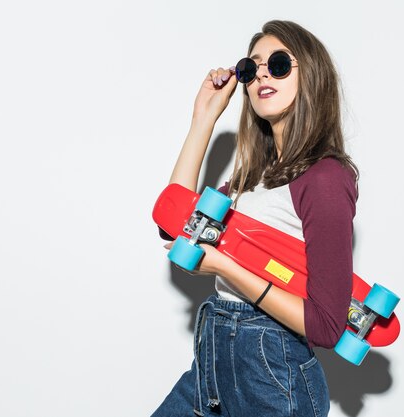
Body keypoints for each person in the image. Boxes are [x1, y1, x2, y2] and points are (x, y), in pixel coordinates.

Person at [151, 20, 358, 417]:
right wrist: (203, 120)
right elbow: (173, 222)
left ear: (311, 76)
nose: (260, 73)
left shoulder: (326, 177)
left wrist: (224, 266)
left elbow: (327, 326)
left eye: (278, 64)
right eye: (250, 68)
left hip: (272, 372)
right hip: (214, 360)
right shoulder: (253, 178)